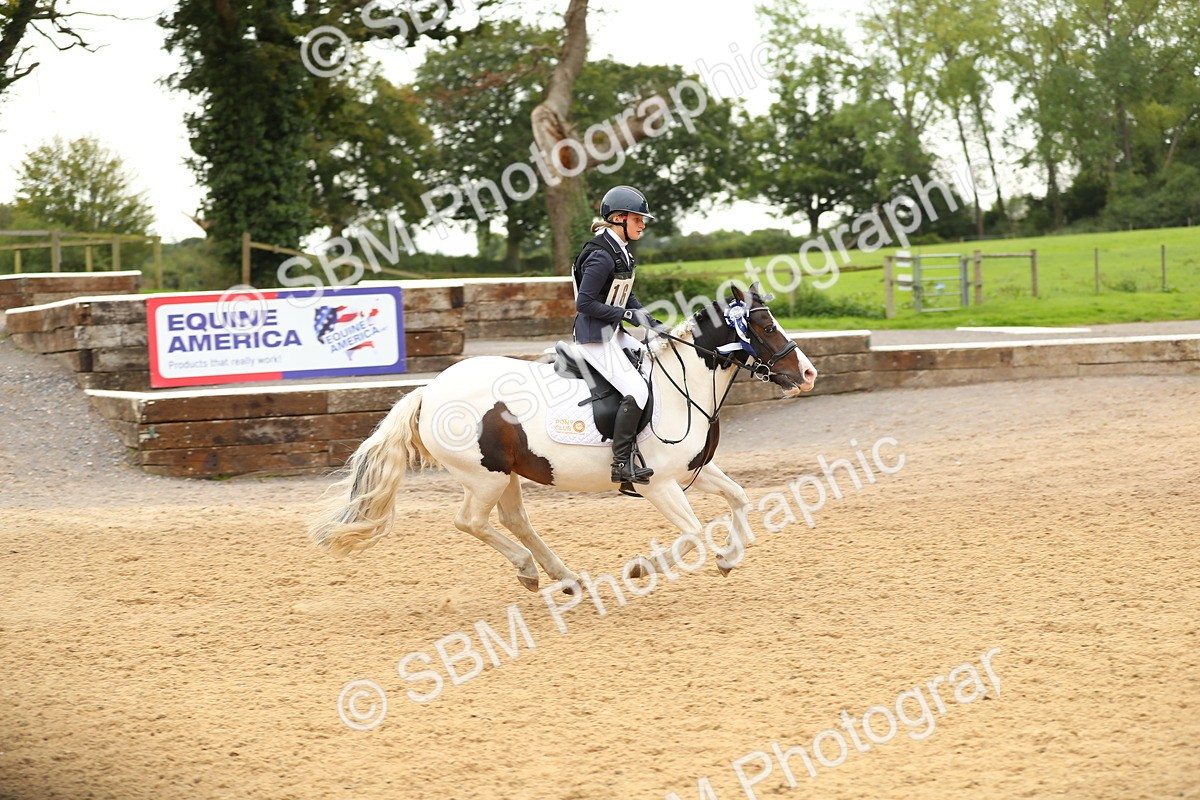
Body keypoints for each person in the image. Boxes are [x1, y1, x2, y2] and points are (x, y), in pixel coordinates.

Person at [571, 185, 670, 485]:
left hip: (612, 332)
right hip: (593, 337)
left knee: (652, 362)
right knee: (637, 390)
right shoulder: (601, 255)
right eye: (638, 219)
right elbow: (584, 303)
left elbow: (625, 293)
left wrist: (649, 320)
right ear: (618, 218)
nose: (643, 224)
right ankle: (621, 463)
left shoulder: (620, 251)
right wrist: (627, 315)